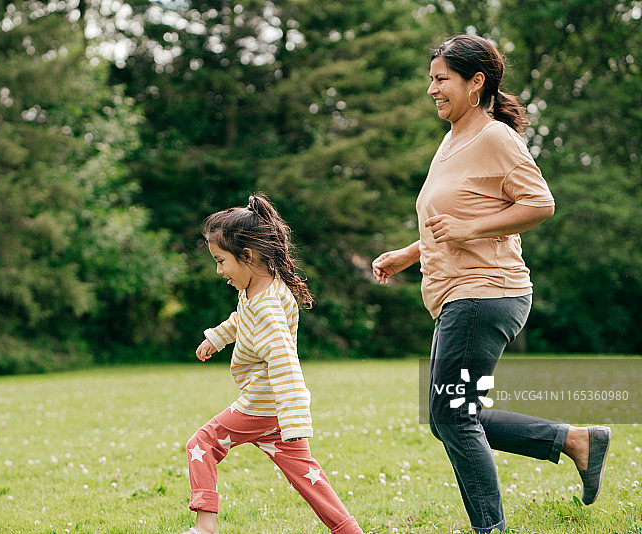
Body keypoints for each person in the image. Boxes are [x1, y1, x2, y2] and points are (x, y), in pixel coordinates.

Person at [371, 35, 610, 533]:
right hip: (458, 294)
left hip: (485, 292)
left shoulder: (496, 137)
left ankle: (491, 527)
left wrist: (469, 230)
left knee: (452, 416)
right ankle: (575, 441)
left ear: (475, 82)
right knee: (452, 415)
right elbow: (454, 216)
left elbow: (540, 203)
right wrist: (409, 254)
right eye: (431, 79)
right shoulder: (452, 139)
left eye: (442, 79)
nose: (432, 90)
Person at [183, 194, 363, 534]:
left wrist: (294, 419)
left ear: (247, 256)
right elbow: (242, 319)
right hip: (276, 412)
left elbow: (284, 362)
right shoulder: (261, 291)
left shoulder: (267, 307)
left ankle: (205, 526)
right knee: (308, 477)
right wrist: (217, 338)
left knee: (202, 444)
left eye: (221, 261)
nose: (218, 270)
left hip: (264, 405)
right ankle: (348, 530)